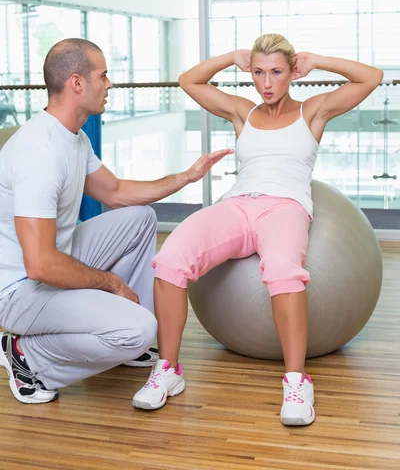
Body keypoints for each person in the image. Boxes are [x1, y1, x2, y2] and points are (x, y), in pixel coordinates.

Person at [133, 33, 383, 426]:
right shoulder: (242, 112)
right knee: (170, 258)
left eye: (277, 72)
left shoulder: (313, 111)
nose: (266, 83)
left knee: (283, 270)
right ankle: (168, 370)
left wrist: (318, 59)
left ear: (292, 73)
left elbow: (371, 77)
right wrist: (231, 57)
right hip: (238, 205)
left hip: (285, 208)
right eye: (259, 72)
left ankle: (297, 382)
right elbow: (189, 81)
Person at [0, 38, 232, 404]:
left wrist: (185, 177)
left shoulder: (72, 139)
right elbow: (40, 264)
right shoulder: (38, 153)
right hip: (18, 291)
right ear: (77, 83)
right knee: (141, 329)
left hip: (51, 260)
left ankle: (118, 338)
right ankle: (29, 356)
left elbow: (117, 191)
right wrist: (110, 283)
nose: (110, 84)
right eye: (103, 75)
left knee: (139, 219)